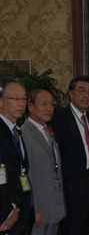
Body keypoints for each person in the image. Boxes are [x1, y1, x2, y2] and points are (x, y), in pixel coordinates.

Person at [51, 76, 89, 235]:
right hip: (72, 185)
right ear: (70, 93)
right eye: (81, 90)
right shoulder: (59, 118)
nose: (86, 95)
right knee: (74, 228)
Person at [21, 88, 66, 235]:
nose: (49, 108)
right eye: (44, 103)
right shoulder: (24, 134)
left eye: (52, 104)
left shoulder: (47, 132)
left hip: (53, 206)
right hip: (39, 210)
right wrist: (34, 207)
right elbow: (26, 176)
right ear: (31, 106)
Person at [0, 78, 33, 234]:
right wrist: (7, 210)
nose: (21, 103)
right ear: (1, 101)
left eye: (23, 98)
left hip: (23, 212)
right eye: (15, 98)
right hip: (7, 215)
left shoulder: (16, 131)